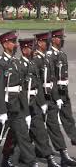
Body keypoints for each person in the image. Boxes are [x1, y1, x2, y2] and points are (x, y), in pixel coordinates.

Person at [0, 31, 38, 167]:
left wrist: (26, 112)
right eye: (13, 42)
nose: (16, 45)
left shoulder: (17, 63)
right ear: (5, 44)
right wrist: (1, 111)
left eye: (15, 42)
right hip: (5, 106)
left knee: (21, 136)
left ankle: (28, 162)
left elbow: (21, 88)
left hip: (17, 107)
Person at [33, 31, 76, 166]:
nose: (48, 43)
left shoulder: (53, 56)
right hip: (40, 98)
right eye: (46, 41)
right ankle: (13, 155)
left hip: (55, 94)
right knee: (32, 128)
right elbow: (39, 82)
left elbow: (52, 79)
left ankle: (63, 154)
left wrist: (57, 97)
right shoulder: (40, 58)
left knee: (54, 125)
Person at [18, 38, 60, 167]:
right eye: (25, 48)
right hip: (21, 103)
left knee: (40, 131)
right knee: (16, 134)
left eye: (30, 47)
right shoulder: (17, 64)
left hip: (34, 102)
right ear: (21, 49)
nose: (28, 50)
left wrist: (42, 103)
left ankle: (48, 158)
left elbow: (38, 86)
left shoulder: (33, 64)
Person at [50, 29, 76, 145]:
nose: (62, 40)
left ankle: (74, 139)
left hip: (63, 92)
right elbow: (51, 78)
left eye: (62, 38)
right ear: (53, 39)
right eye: (60, 38)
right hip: (51, 94)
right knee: (47, 121)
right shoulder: (49, 56)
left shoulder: (62, 54)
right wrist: (56, 96)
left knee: (68, 118)